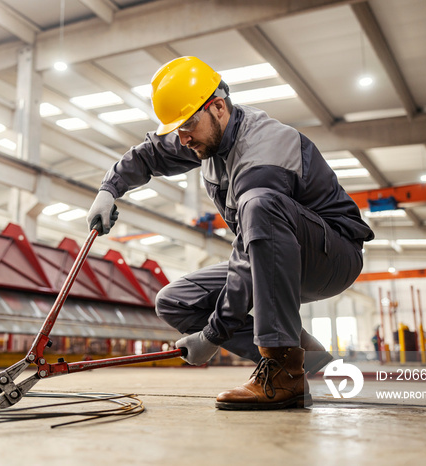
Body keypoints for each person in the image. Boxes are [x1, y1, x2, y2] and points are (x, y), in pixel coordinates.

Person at [87, 56, 374, 410]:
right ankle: (303, 355)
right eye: (177, 128)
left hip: (331, 256)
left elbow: (246, 256)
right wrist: (109, 189)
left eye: (188, 124)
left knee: (260, 206)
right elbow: (148, 155)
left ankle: (284, 369)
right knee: (176, 301)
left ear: (218, 106)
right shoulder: (205, 134)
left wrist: (212, 335)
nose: (183, 136)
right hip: (273, 255)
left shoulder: (262, 152)